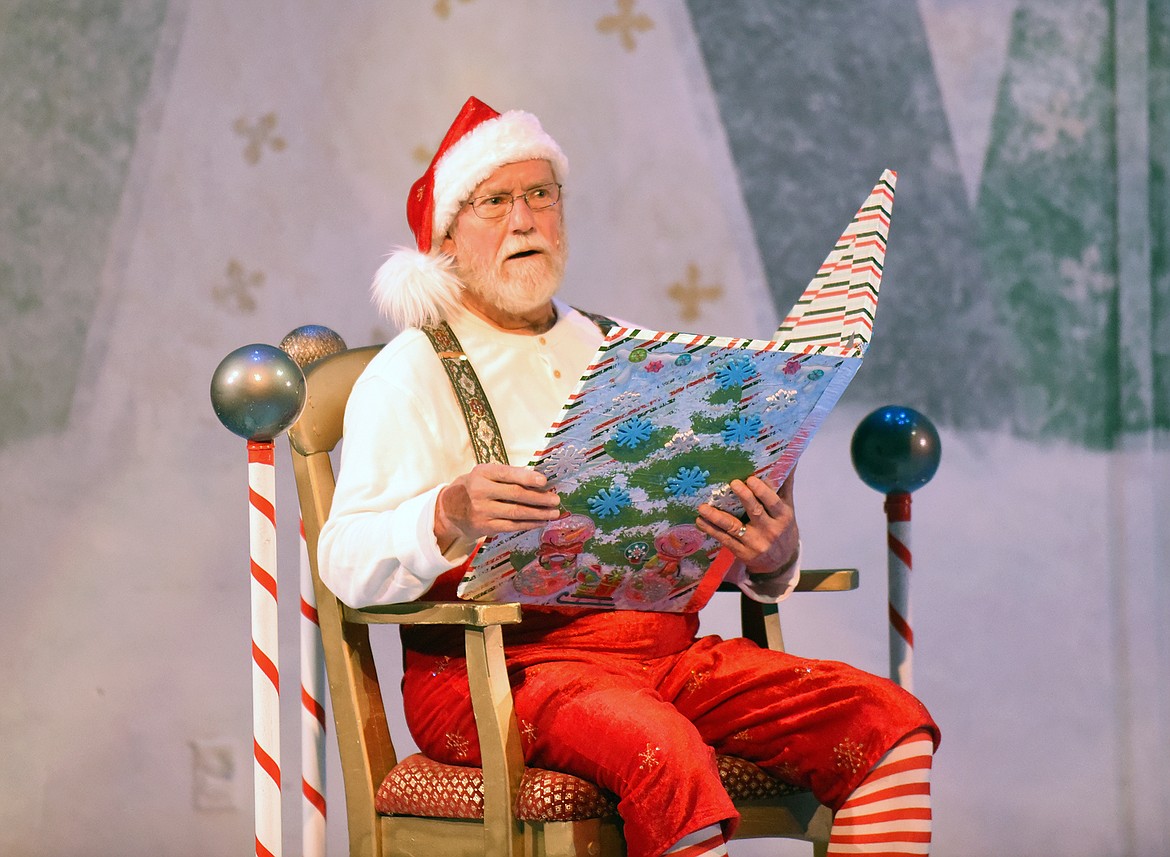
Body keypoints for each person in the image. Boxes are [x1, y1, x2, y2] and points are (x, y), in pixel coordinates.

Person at [319, 96, 939, 857]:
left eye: (541, 194)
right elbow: (343, 561)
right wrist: (444, 512)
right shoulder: (410, 372)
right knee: (664, 752)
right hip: (499, 675)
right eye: (495, 201)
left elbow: (693, 534)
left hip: (665, 656)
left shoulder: (627, 352)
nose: (524, 220)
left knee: (887, 723)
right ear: (446, 240)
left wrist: (769, 556)